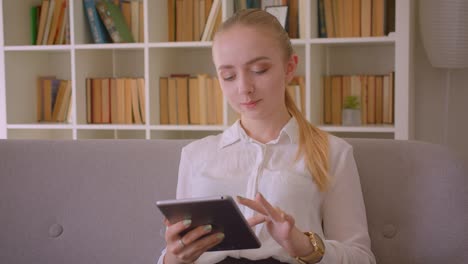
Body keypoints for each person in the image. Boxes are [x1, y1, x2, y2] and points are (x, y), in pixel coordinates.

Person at [158, 9, 376, 264]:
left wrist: (306, 246)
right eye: (228, 76)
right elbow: (173, 257)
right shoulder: (196, 155)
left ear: (289, 68)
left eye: (259, 70)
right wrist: (175, 255)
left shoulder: (332, 152)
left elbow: (362, 258)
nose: (243, 88)